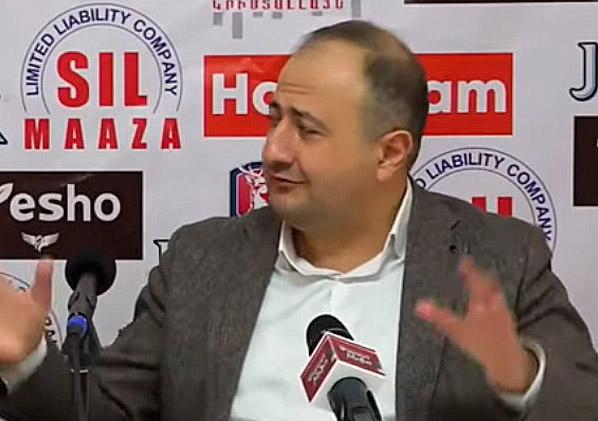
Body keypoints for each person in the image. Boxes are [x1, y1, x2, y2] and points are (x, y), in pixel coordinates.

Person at [1, 20, 597, 421]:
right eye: (274, 118)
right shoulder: (201, 261)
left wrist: (522, 379)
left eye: (307, 130)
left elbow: (581, 399)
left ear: (389, 153)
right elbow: (105, 412)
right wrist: (28, 362)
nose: (274, 150)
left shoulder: (500, 256)